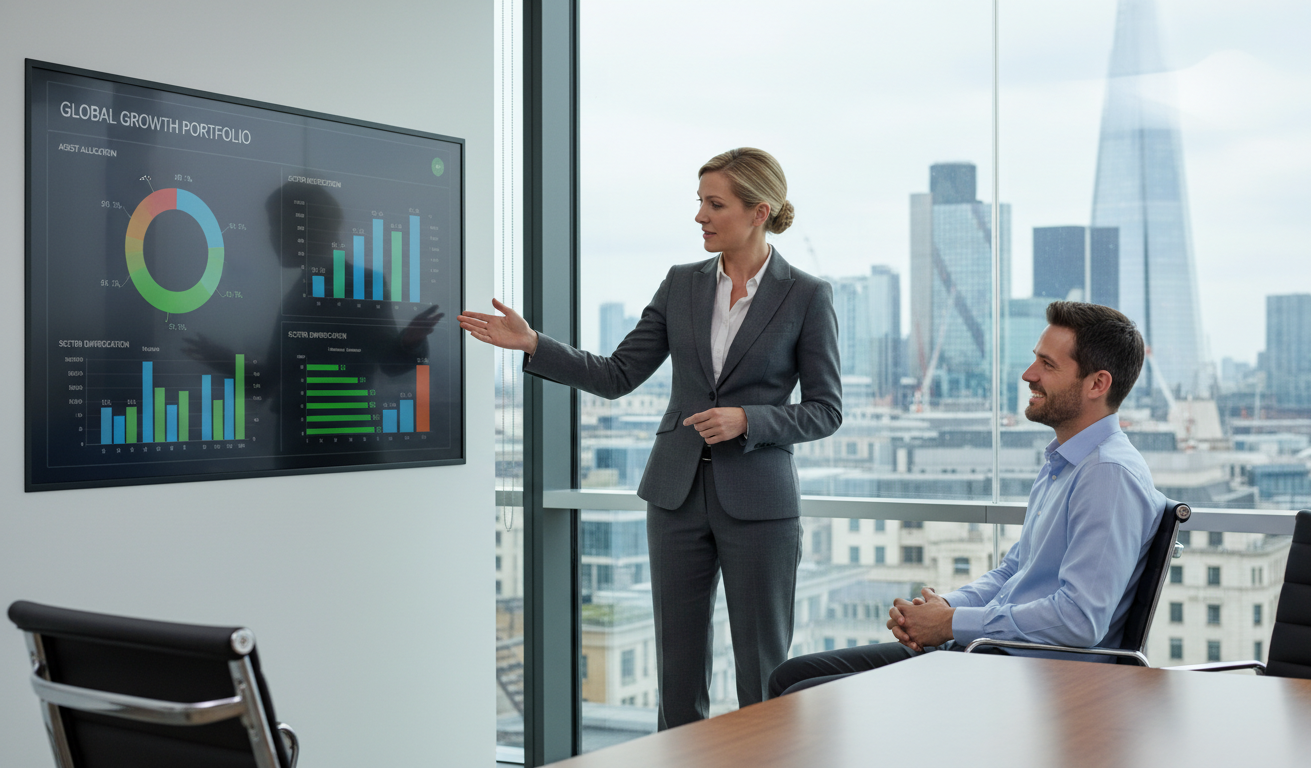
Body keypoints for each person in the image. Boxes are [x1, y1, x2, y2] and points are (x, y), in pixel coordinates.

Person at [458, 148, 842, 728]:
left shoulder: (807, 295)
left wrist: (748, 420)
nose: (700, 216)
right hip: (675, 495)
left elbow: (826, 410)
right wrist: (534, 344)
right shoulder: (682, 283)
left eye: (715, 205)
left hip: (761, 503)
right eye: (700, 202)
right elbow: (617, 375)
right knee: (677, 675)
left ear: (759, 211)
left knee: (762, 671)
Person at [768, 301, 1163, 697]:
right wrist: (938, 610)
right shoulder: (1065, 462)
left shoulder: (1107, 474)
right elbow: (1013, 572)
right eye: (1035, 360)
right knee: (789, 676)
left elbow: (1079, 620)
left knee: (804, 698)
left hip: (1032, 679)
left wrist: (951, 622)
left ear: (1097, 384)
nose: (1028, 374)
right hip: (989, 654)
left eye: (1048, 365)